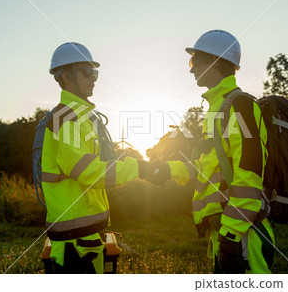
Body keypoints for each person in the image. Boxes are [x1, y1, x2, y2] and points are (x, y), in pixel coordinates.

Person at [148, 30, 275, 274]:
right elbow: (205, 167)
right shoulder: (217, 107)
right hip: (228, 231)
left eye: (195, 61)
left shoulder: (241, 106)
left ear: (214, 62)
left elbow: (250, 175)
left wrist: (230, 235)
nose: (191, 69)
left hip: (244, 233)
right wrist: (165, 169)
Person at [42, 42, 154, 273]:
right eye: (87, 71)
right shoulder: (66, 118)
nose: (94, 78)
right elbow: (89, 172)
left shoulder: (79, 118)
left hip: (86, 236)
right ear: (65, 75)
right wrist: (141, 168)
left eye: (95, 72)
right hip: (75, 243)